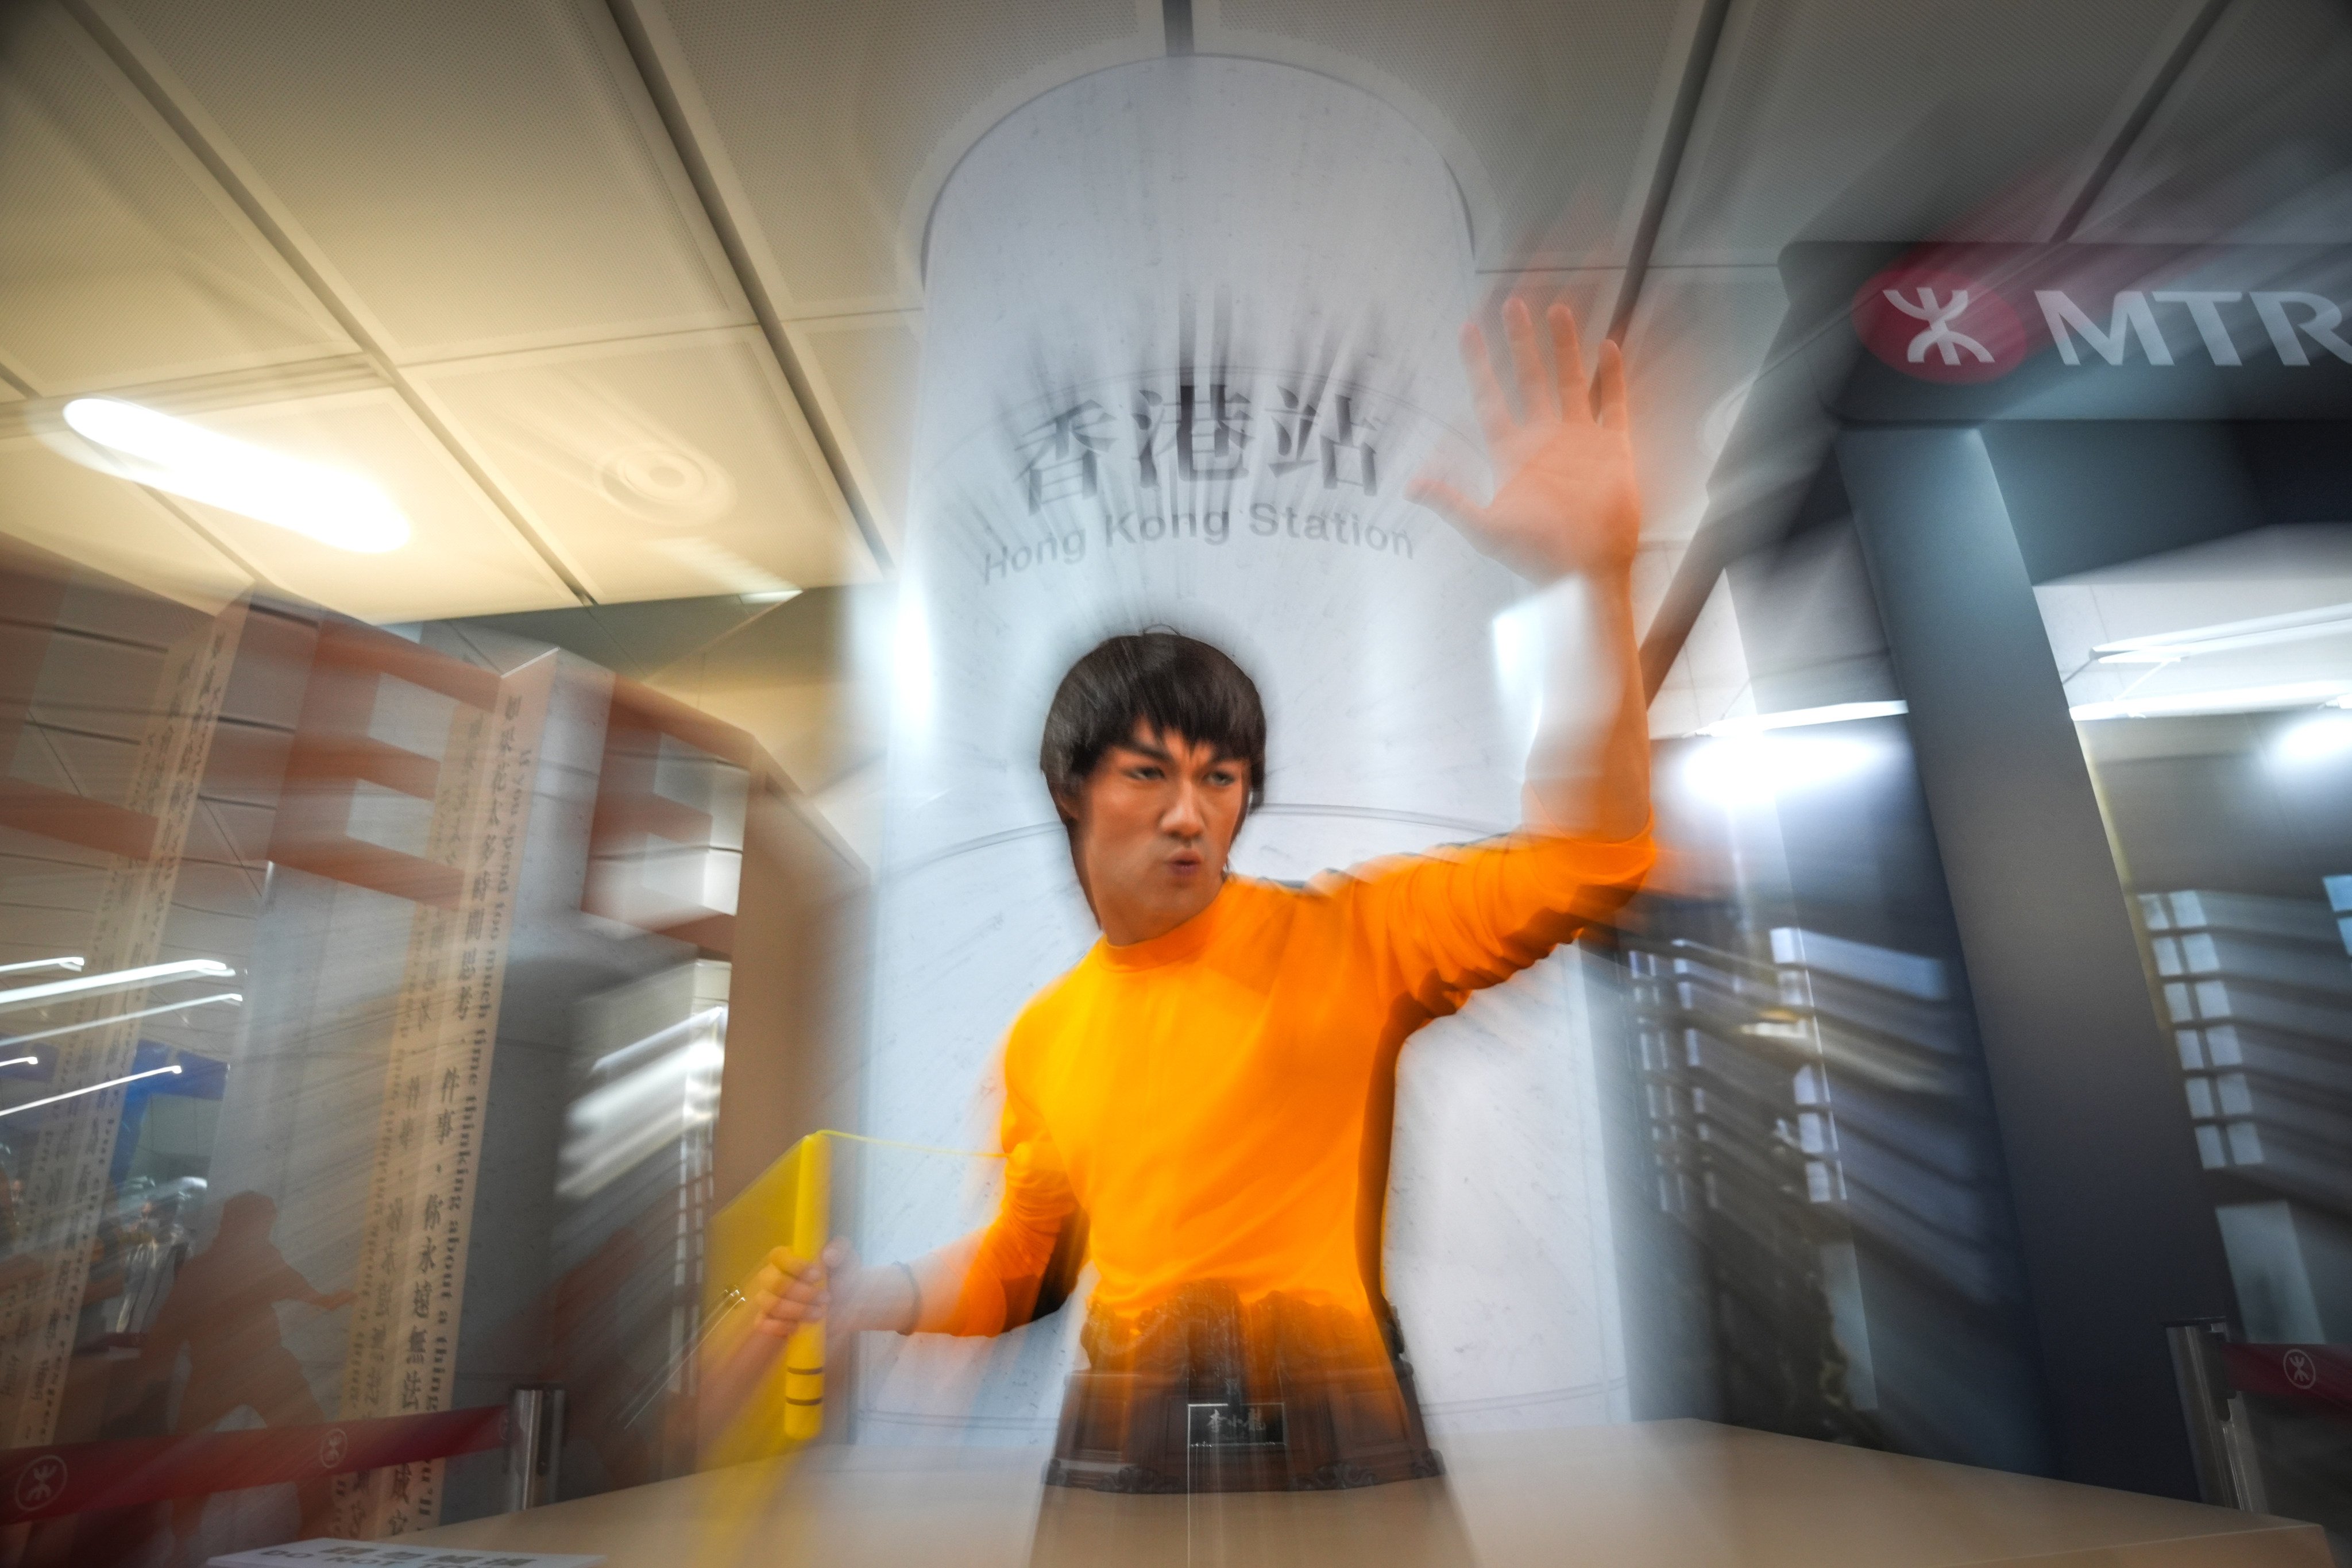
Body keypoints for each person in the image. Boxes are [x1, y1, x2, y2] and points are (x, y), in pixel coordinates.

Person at [727, 300, 1652, 1490]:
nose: (1188, 813)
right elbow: (1023, 1272)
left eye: (1220, 779)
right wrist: (873, 1296)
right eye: (1148, 773)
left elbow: (1590, 854)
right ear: (1071, 792)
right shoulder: (1044, 1038)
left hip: (1336, 1431)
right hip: (1119, 1443)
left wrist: (1592, 582)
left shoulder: (1351, 938)